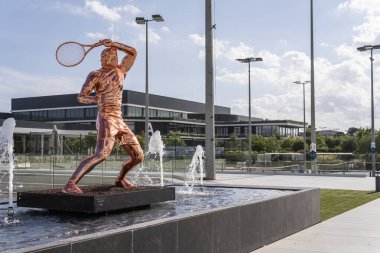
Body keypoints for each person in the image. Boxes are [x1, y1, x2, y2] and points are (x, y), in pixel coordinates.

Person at [62, 39, 144, 194]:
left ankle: (120, 180)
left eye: (117, 56)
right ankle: (70, 184)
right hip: (106, 118)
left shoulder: (121, 71)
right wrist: (95, 99)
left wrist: (114, 43)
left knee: (138, 156)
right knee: (102, 154)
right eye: (113, 56)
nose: (117, 58)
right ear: (105, 58)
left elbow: (133, 52)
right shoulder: (96, 75)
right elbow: (81, 97)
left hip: (119, 120)